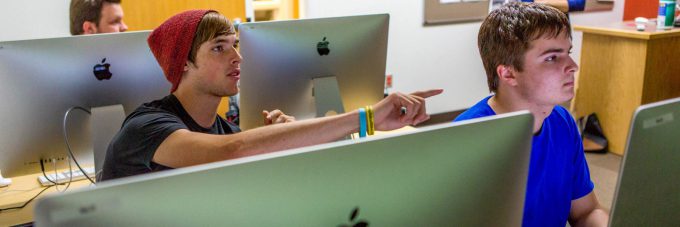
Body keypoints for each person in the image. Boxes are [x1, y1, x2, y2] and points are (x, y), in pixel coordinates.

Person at [100, 10, 442, 181]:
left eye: (235, 45)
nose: (237, 57)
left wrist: (285, 140)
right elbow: (236, 150)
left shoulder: (224, 131)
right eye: (219, 48)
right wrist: (368, 117)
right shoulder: (146, 126)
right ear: (183, 63)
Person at [454, 2, 608, 227]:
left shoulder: (562, 122)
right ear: (508, 73)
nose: (573, 66)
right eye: (552, 58)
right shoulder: (466, 138)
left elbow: (587, 211)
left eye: (568, 53)